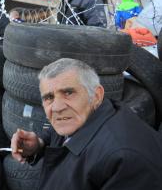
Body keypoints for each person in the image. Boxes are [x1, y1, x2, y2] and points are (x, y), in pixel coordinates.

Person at [10, 58, 162, 190]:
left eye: (68, 93)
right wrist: (40, 143)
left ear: (96, 95)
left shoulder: (125, 161)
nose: (57, 107)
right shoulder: (89, 115)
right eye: (49, 97)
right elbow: (61, 134)